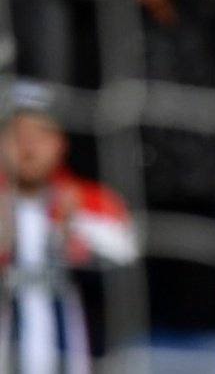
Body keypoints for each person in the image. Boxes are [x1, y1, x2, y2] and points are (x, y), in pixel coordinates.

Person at [0, 80, 138, 372]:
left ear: (61, 142)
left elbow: (127, 272)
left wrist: (74, 235)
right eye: (18, 134)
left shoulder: (95, 203)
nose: (28, 147)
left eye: (40, 134)